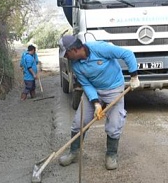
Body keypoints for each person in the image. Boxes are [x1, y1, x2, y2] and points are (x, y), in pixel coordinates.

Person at [57, 35, 140, 170]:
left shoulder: (99, 48)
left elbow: (127, 54)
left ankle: (111, 154)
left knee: (114, 123)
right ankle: (74, 152)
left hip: (114, 89)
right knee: (79, 123)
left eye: (66, 53)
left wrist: (134, 76)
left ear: (74, 49)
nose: (65, 56)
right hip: (94, 90)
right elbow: (86, 84)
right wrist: (96, 103)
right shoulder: (75, 64)